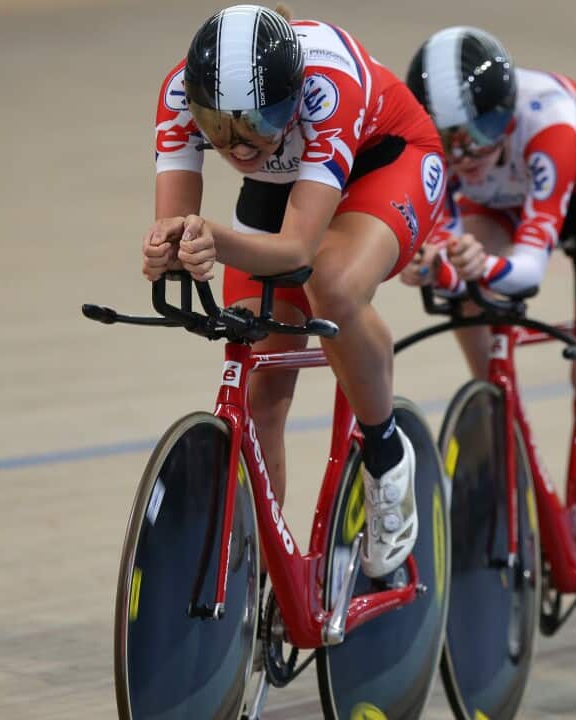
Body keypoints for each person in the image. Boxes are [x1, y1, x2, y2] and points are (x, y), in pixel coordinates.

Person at [400, 26, 576, 667]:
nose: (463, 153)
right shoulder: (435, 146)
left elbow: (527, 267)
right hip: (503, 205)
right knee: (468, 300)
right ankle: (503, 432)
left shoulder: (546, 118)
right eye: (449, 141)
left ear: (505, 111)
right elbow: (435, 241)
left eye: (477, 134)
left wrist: (460, 264)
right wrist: (432, 263)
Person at [142, 4, 448, 577]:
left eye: (258, 121)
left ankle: (386, 454)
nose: (236, 146)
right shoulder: (181, 94)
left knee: (331, 285)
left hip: (384, 165)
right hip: (283, 183)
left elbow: (296, 255)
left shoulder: (327, 85)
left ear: (294, 90)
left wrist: (210, 240)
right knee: (258, 387)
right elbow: (179, 226)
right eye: (218, 128)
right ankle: (256, 579)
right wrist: (167, 249)